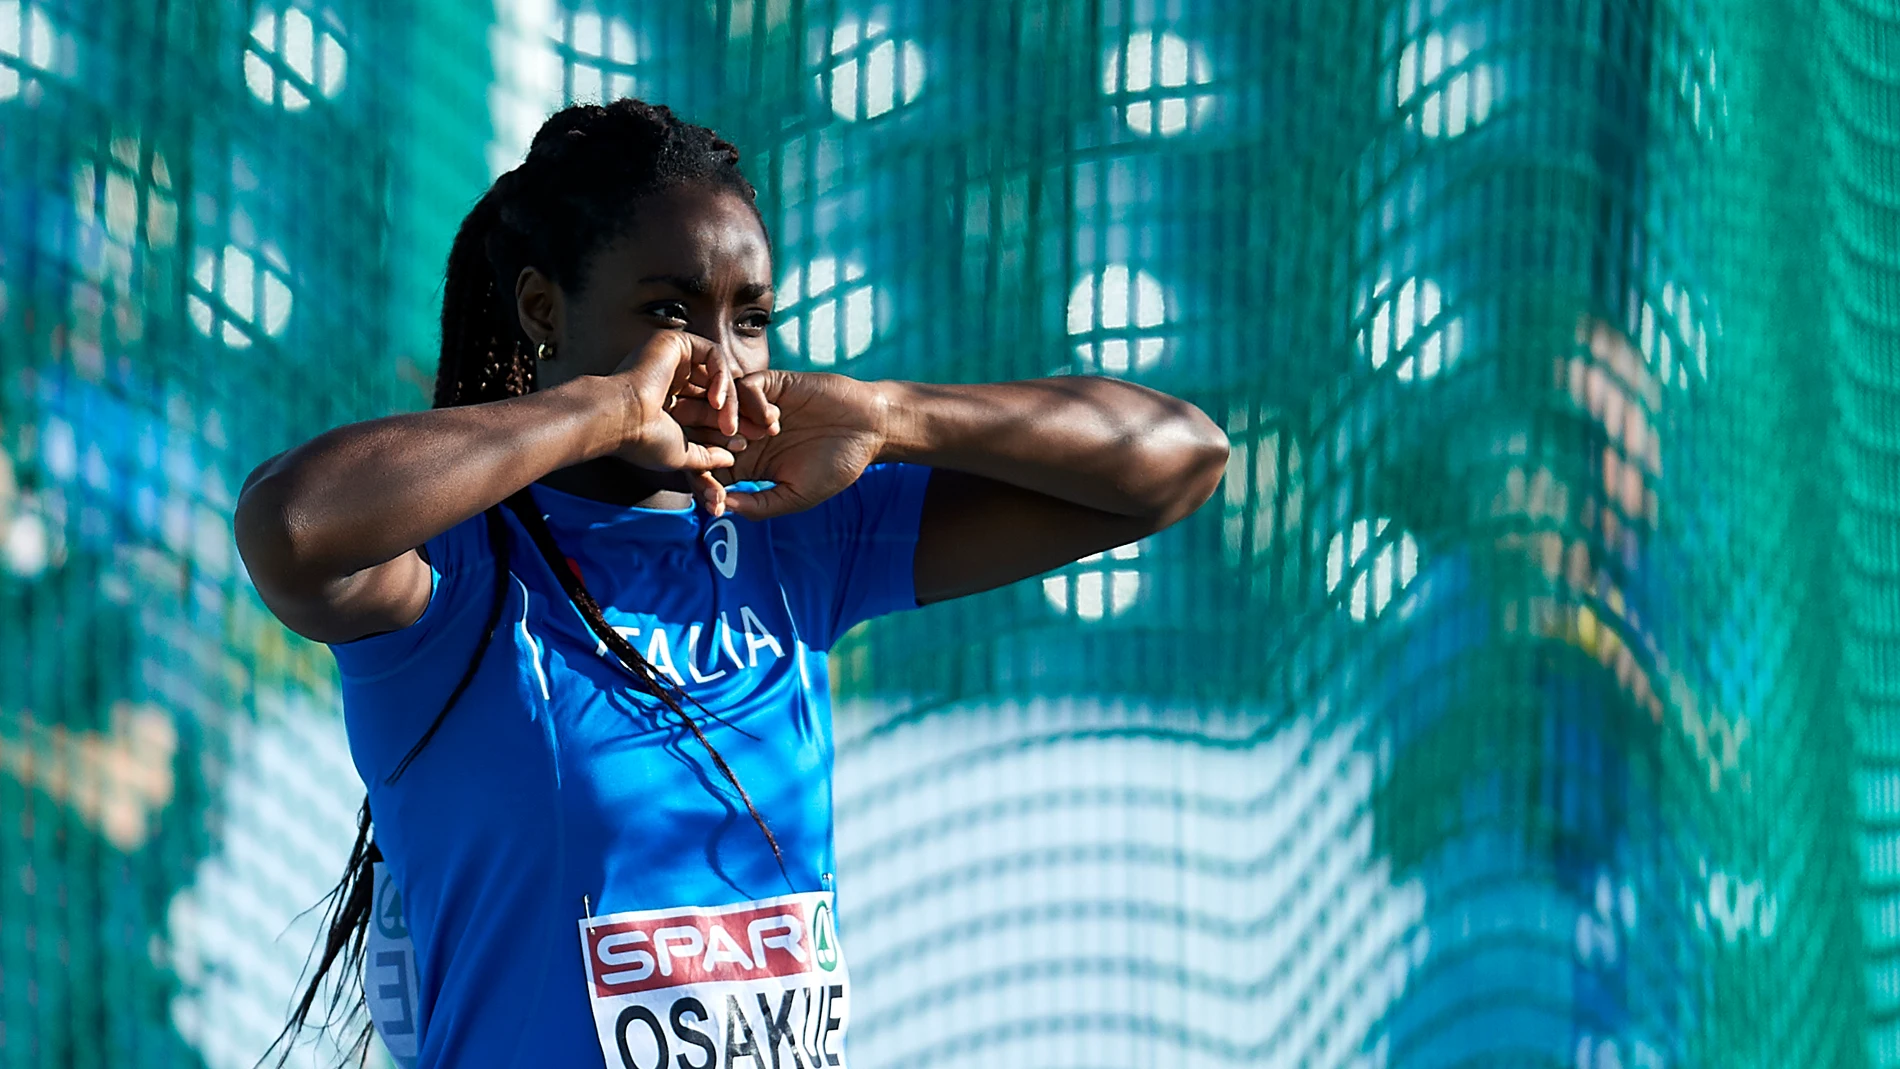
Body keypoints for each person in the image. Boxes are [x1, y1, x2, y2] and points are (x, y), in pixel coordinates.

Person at [234, 99, 1227, 1068]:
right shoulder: (460, 570)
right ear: (544, 309)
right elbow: (291, 522)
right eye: (668, 311)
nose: (716, 360)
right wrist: (599, 412)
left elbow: (1178, 461)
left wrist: (890, 413)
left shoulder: (793, 533)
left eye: (749, 319)